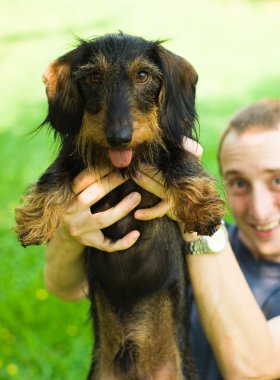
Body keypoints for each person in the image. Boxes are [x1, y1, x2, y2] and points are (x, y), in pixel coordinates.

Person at [44, 99, 280, 379]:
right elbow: (66, 288)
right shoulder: (181, 233)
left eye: (277, 180)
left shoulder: (202, 240)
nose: (259, 209)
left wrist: (198, 222)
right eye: (238, 182)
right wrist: (71, 235)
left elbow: (252, 368)